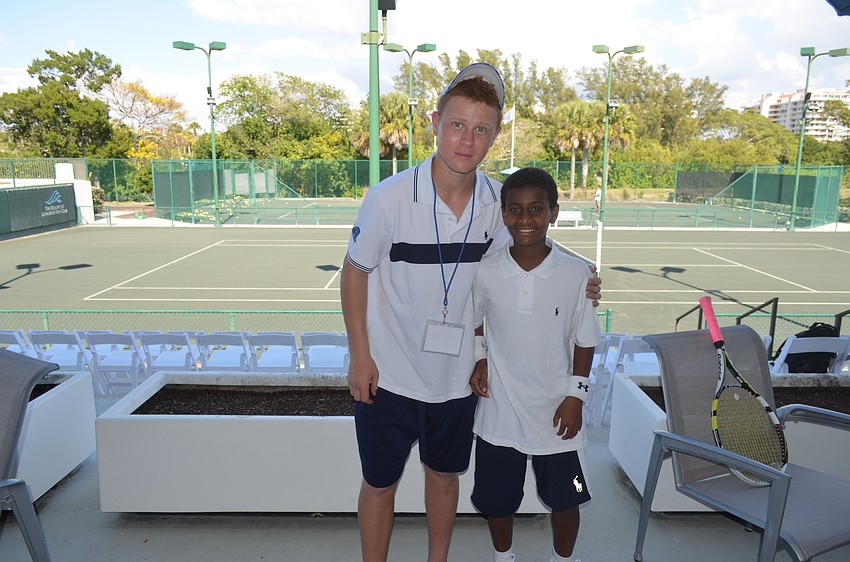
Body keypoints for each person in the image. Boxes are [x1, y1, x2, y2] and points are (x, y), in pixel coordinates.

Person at [340, 63, 601, 562]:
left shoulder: (495, 205)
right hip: (388, 376)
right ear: (435, 123)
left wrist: (580, 274)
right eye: (457, 125)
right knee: (378, 483)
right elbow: (356, 271)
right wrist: (360, 356)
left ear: (495, 136)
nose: (466, 140)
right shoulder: (389, 198)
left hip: (457, 380)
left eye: (481, 129)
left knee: (443, 477)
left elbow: (533, 242)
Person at [470, 167, 600, 562]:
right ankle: (502, 556)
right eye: (515, 210)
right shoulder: (487, 269)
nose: (524, 219)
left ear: (553, 213)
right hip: (500, 408)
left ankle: (563, 559)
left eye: (536, 209)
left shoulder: (576, 273)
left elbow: (585, 338)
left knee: (568, 498)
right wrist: (480, 357)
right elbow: (475, 318)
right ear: (504, 214)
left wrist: (575, 395)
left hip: (557, 410)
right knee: (497, 500)